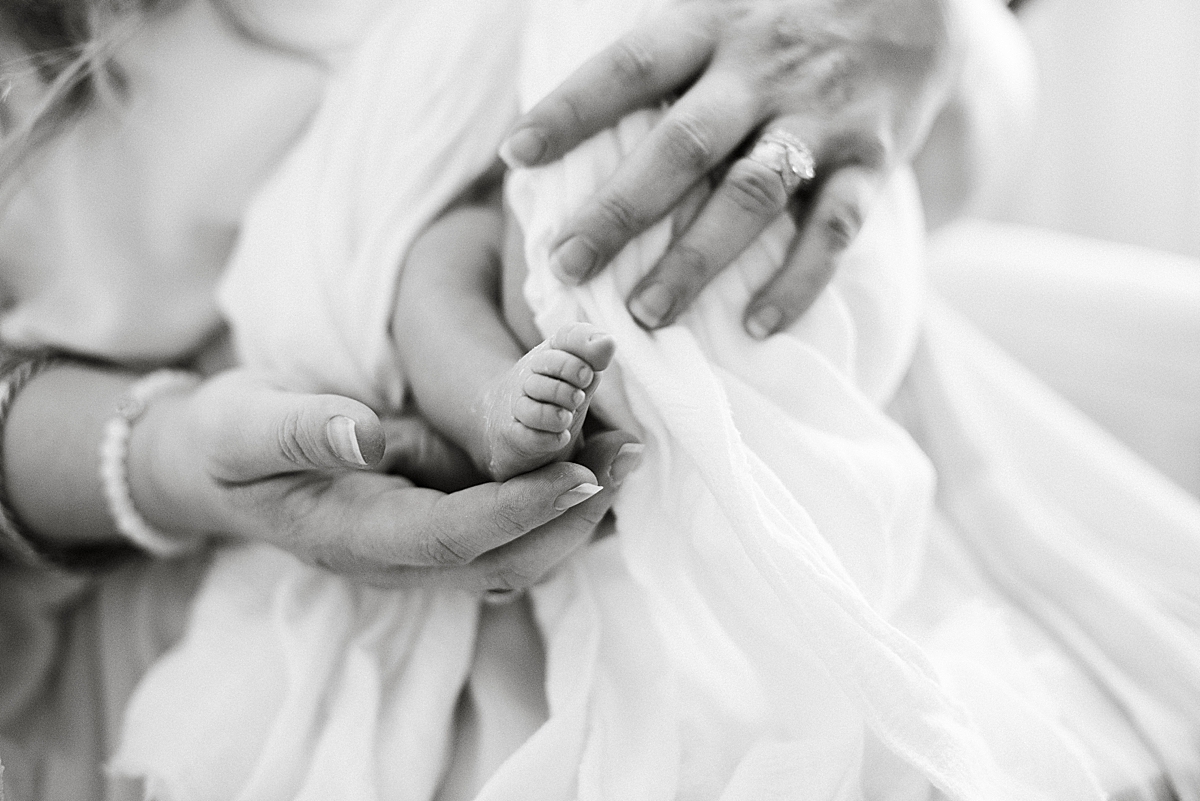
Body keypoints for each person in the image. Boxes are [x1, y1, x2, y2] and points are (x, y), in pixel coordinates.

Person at [102, 0, 1200, 800]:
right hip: (495, 165)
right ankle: (495, 401)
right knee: (445, 265)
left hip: (778, 242)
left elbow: (959, 81)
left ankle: (738, 437)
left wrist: (935, 32)